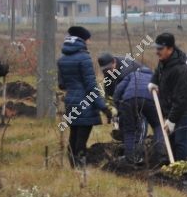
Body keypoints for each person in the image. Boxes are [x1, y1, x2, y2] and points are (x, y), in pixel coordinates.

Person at [57, 26, 109, 167]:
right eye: (88, 39)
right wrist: (103, 107)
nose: (89, 42)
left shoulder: (62, 59)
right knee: (81, 139)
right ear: (82, 40)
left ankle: (73, 166)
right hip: (85, 103)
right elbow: (91, 86)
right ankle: (80, 170)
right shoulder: (84, 58)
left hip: (70, 102)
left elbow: (62, 85)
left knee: (73, 134)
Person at [150, 32, 187, 162]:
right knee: (171, 141)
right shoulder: (164, 61)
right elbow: (158, 71)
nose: (157, 52)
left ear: (170, 49)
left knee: (181, 142)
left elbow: (180, 99)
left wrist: (172, 120)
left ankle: (183, 171)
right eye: (156, 48)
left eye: (160, 49)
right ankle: (174, 167)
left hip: (183, 112)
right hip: (170, 108)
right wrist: (153, 82)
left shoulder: (180, 69)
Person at [114, 64, 160, 165]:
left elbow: (118, 90)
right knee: (157, 126)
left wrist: (118, 106)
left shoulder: (133, 74)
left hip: (128, 100)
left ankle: (130, 158)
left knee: (129, 130)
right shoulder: (155, 78)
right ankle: (160, 154)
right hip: (148, 100)